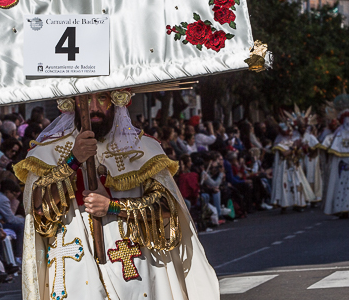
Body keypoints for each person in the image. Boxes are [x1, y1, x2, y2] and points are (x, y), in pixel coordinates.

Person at [15, 93, 219, 299]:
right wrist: (73, 161)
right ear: (74, 102)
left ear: (115, 99)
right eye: (85, 99)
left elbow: (167, 209)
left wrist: (112, 206)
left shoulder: (143, 148)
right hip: (75, 268)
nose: (93, 107)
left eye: (102, 98)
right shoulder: (47, 151)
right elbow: (38, 210)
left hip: (134, 265)